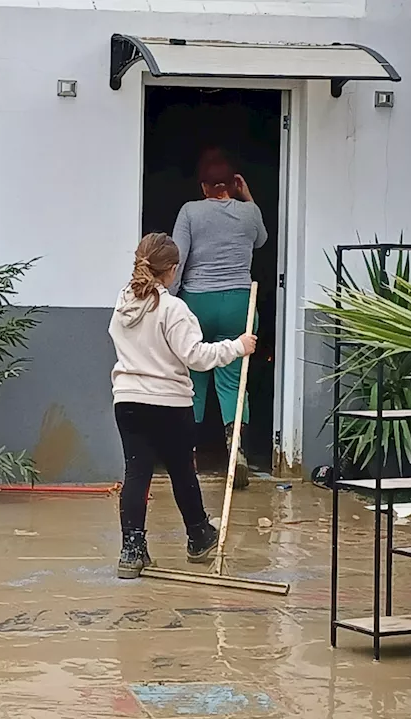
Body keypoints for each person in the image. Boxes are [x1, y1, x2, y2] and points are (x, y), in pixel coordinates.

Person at [109, 233, 258, 579]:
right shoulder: (173, 309)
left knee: (136, 473)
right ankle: (198, 535)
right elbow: (196, 356)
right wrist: (238, 346)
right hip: (169, 404)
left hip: (128, 400)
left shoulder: (123, 303)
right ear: (172, 270)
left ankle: (132, 552)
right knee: (181, 471)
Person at [169, 150, 268, 488]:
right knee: (232, 378)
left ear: (203, 186)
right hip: (239, 302)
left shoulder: (190, 212)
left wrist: (170, 300)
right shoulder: (249, 213)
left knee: (192, 378)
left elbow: (177, 260)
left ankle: (187, 452)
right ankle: (235, 446)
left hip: (197, 302)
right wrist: (247, 196)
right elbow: (262, 239)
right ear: (232, 184)